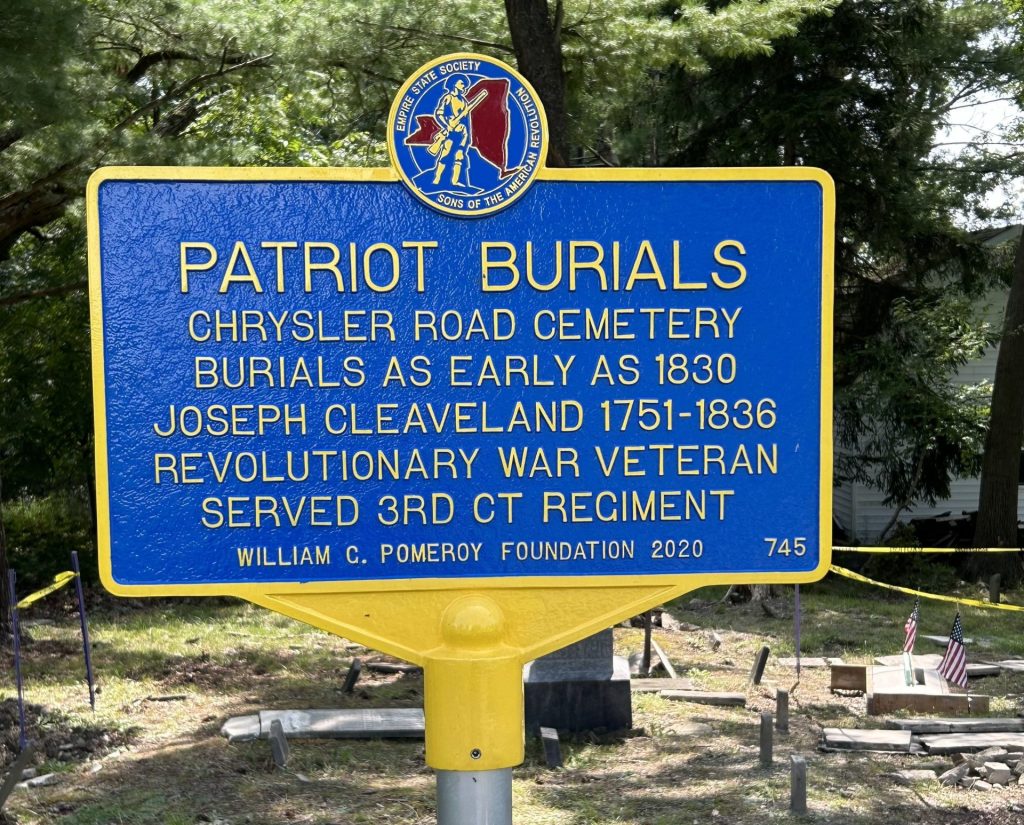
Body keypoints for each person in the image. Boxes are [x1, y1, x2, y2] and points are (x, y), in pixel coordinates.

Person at [431, 75, 473, 188]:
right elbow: (439, 114)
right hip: (450, 132)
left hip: (462, 132)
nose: (464, 86)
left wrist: (467, 136)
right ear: (455, 84)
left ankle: (455, 182)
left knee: (459, 156)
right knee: (445, 154)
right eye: (461, 83)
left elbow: (466, 120)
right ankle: (437, 179)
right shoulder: (448, 98)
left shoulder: (464, 101)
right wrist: (447, 125)